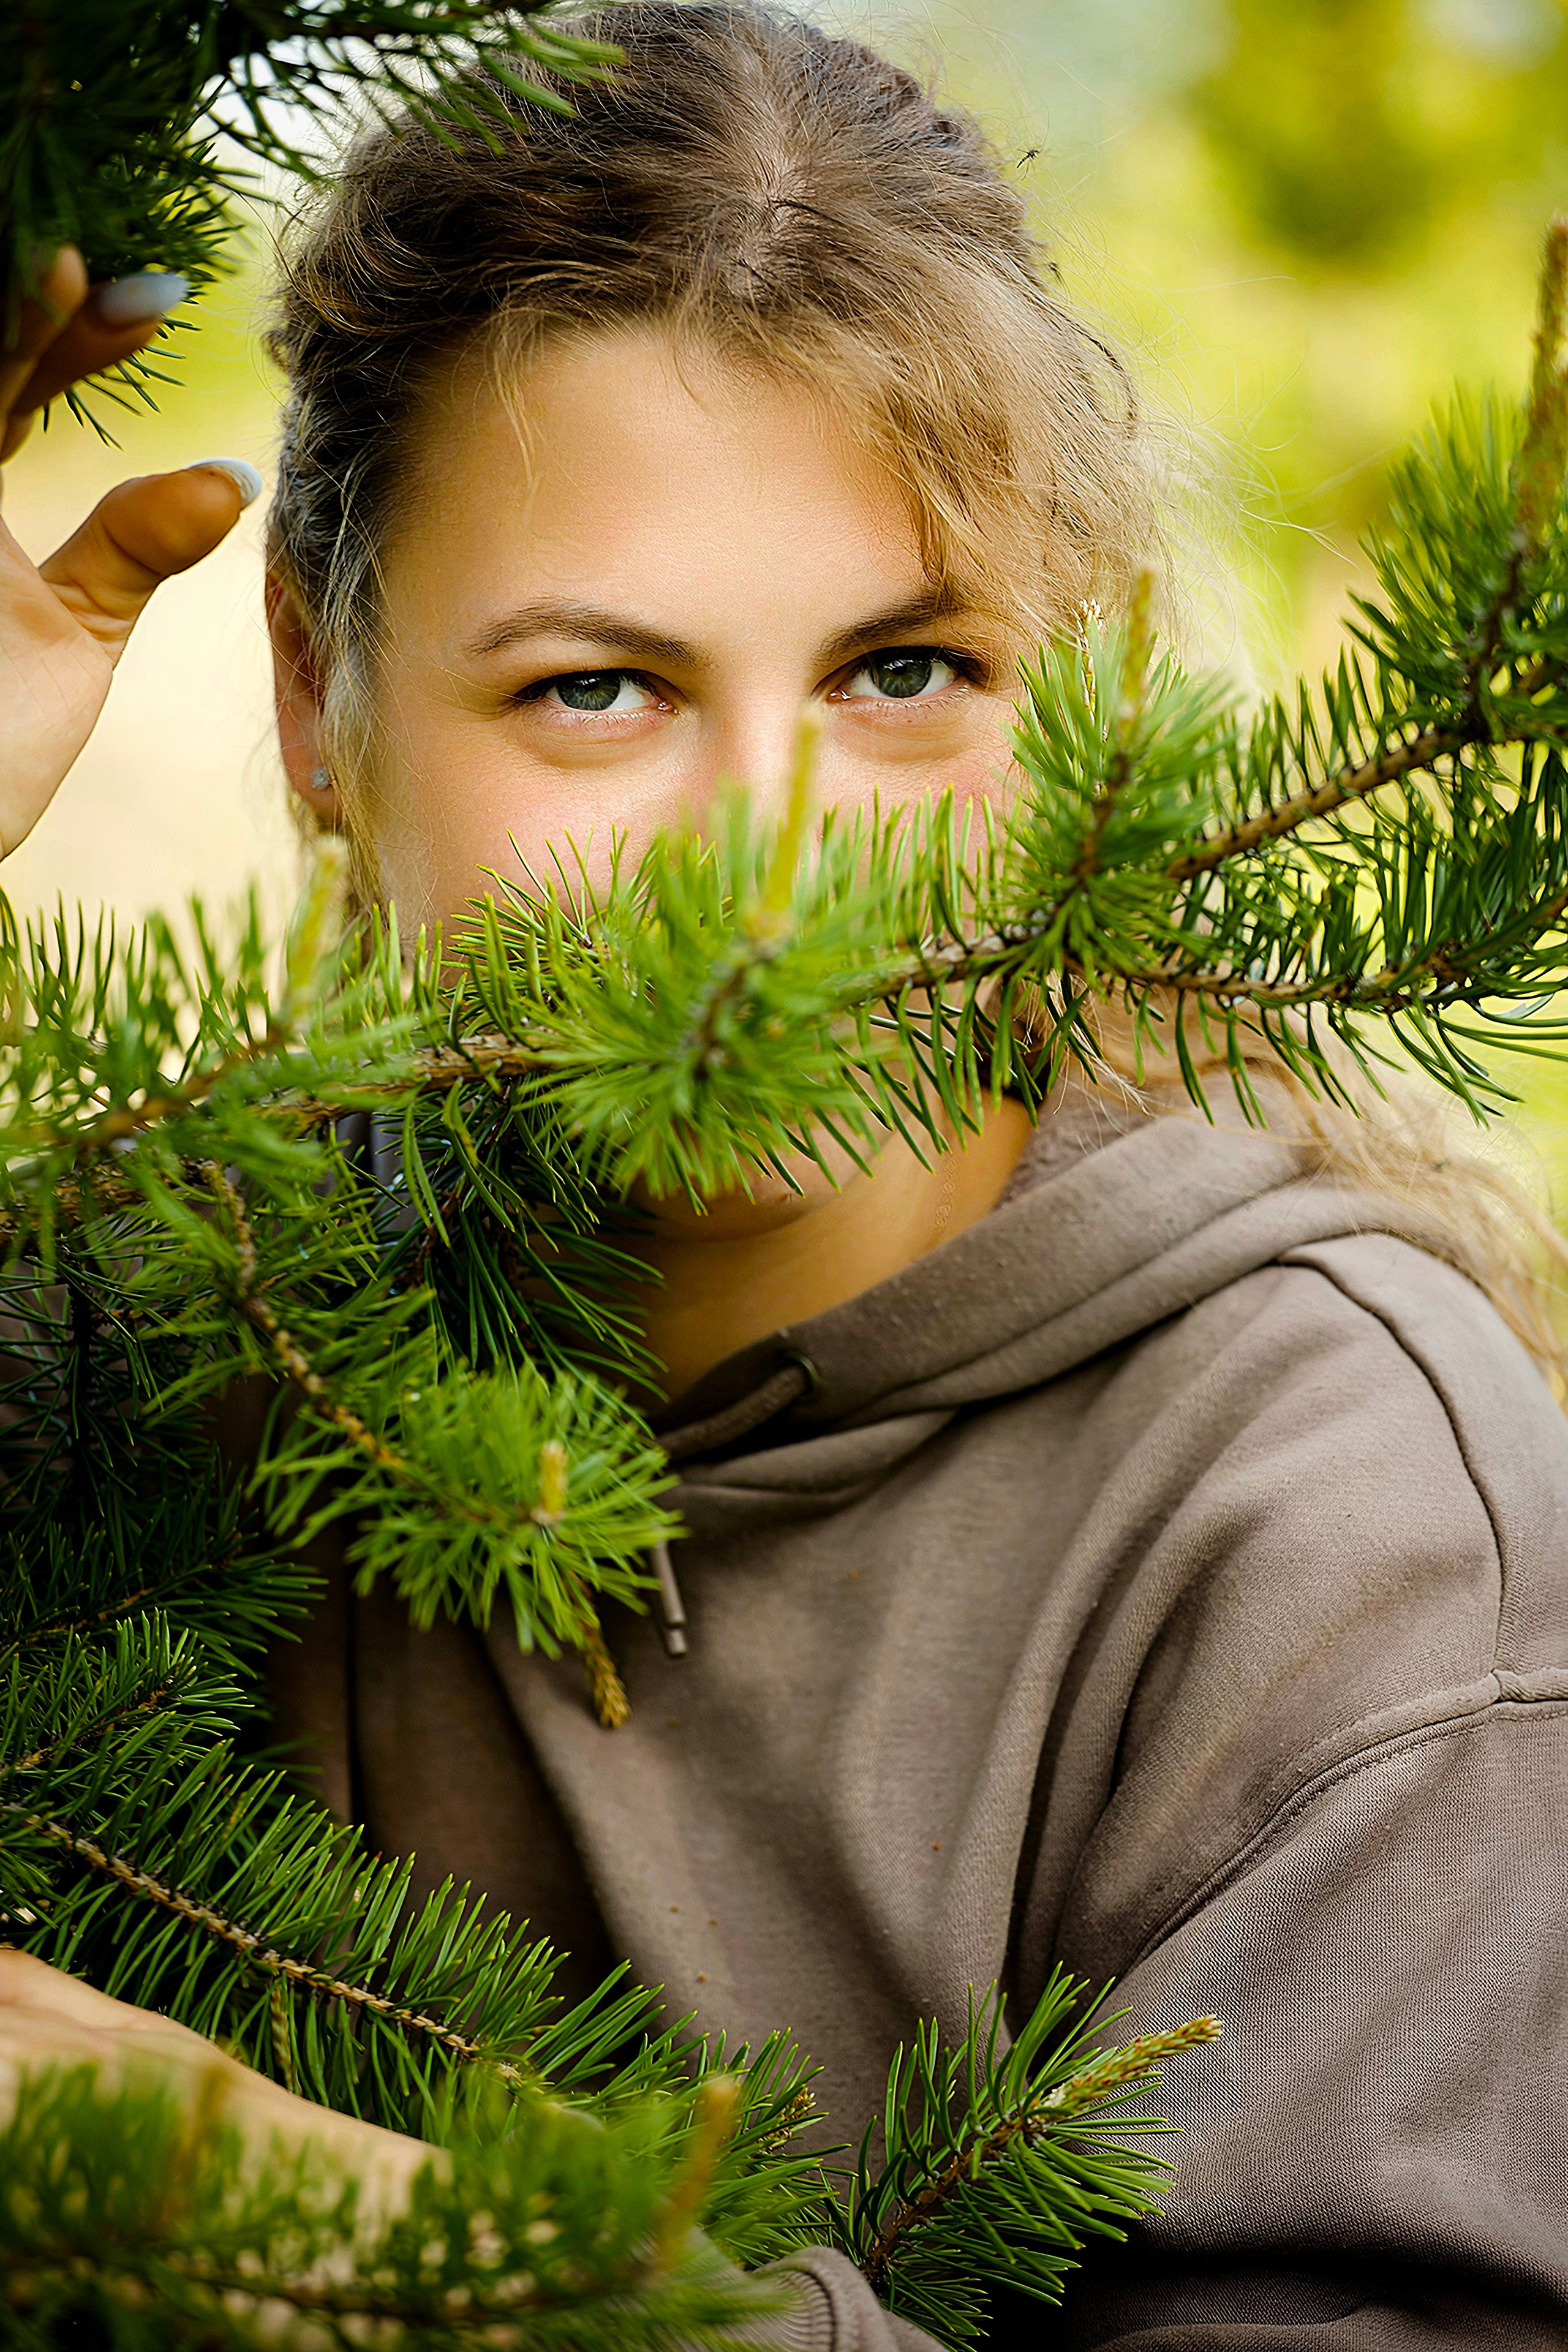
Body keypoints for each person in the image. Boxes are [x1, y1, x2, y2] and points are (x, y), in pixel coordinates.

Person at [4, 8, 1568, 2345]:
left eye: (908, 674)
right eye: (597, 692)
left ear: (1093, 718)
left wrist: (355, 2250)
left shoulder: (1346, 1535)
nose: (766, 883)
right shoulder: (158, 1311)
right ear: (322, 704)